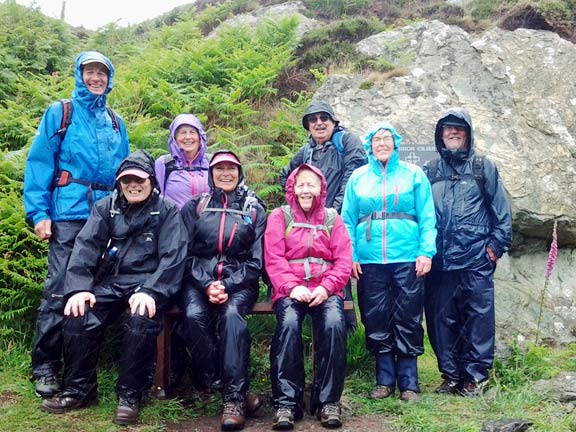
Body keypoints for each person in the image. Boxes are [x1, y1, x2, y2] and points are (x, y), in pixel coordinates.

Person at [39, 150, 188, 425]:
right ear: (119, 183)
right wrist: (79, 288)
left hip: (150, 284)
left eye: (139, 180)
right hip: (112, 282)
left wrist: (152, 291)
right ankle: (79, 390)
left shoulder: (167, 210)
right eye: (126, 180)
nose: (133, 185)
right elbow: (85, 248)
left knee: (140, 319)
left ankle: (130, 395)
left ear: (151, 181)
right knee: (78, 313)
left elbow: (173, 258)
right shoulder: (105, 207)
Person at [24, 51, 130, 398]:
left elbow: (125, 175)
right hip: (68, 214)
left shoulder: (116, 122)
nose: (96, 78)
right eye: (90, 72)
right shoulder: (61, 112)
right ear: (79, 75)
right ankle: (45, 366)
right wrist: (39, 214)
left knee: (93, 292)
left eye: (102, 73)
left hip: (104, 218)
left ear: (109, 79)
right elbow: (39, 163)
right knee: (59, 289)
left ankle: (81, 368)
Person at [341, 123, 437, 403]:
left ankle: (409, 382)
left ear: (395, 143)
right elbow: (347, 219)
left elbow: (428, 216)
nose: (382, 143)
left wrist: (426, 252)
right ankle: (384, 379)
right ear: (370, 145)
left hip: (407, 256)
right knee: (374, 315)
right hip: (370, 259)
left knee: (408, 315)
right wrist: (352, 256)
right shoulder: (358, 177)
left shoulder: (413, 174)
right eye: (376, 139)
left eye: (387, 139)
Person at [423, 107, 512, 397]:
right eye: (447, 128)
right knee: (440, 319)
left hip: (476, 258)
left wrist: (494, 249)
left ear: (468, 133)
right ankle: (450, 376)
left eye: (458, 128)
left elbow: (502, 213)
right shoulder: (431, 170)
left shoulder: (483, 167)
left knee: (478, 318)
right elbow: (420, 213)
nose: (453, 132)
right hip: (440, 260)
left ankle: (475, 377)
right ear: (440, 134)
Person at [178, 150, 267, 431]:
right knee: (192, 316)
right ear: (211, 173)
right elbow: (184, 254)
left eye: (231, 168)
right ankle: (228, 386)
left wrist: (226, 285)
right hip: (197, 281)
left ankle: (233, 401)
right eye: (219, 168)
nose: (225, 173)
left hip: (239, 283)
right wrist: (206, 284)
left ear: (239, 173)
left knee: (231, 317)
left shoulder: (254, 209)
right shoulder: (195, 206)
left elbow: (256, 261)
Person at [265, 164, 351, 430]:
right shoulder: (280, 217)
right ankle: (287, 403)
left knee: (335, 324)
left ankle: (328, 401)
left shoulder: (332, 218)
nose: (306, 190)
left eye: (311, 184)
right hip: (290, 290)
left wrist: (326, 287)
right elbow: (274, 258)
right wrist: (291, 287)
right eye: (301, 184)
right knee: (289, 324)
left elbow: (344, 261)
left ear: (321, 188)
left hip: (325, 289)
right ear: (292, 187)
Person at [279, 100, 366, 331]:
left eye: (323, 118)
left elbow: (353, 174)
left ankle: (347, 332)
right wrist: (297, 207)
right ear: (307, 126)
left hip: (340, 217)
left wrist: (335, 208)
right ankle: (321, 325)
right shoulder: (306, 151)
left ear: (333, 121)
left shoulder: (346, 141)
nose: (319, 123)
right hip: (310, 220)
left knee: (339, 267)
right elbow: (285, 177)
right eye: (313, 120)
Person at [155, 113, 210, 209]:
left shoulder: (211, 162)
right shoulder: (164, 163)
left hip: (206, 222)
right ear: (174, 138)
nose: (188, 137)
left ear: (200, 136)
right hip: (174, 222)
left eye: (192, 132)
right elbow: (156, 200)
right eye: (183, 132)